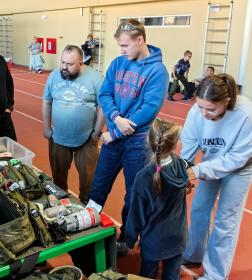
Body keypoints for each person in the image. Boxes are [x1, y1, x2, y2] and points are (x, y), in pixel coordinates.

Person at [86, 19, 169, 255]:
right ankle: (87, 223)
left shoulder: (157, 71)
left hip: (137, 143)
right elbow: (105, 92)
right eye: (120, 46)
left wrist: (116, 130)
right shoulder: (118, 63)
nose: (121, 51)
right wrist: (115, 116)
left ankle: (128, 240)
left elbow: (149, 109)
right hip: (115, 138)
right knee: (99, 186)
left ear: (140, 40)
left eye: (125, 46)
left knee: (133, 193)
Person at [181, 74, 252, 280]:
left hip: (240, 167)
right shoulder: (197, 112)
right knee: (199, 208)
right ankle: (194, 253)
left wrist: (197, 171)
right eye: (200, 107)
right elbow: (189, 144)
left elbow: (235, 159)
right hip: (210, 161)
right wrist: (183, 169)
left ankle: (215, 275)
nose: (204, 113)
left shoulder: (245, 114)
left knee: (226, 221)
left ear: (226, 102)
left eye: (211, 109)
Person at [125, 119, 190, 280]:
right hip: (178, 236)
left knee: (147, 274)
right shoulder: (181, 165)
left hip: (154, 240)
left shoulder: (144, 177)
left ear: (149, 140)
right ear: (175, 144)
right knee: (172, 275)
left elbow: (136, 214)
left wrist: (130, 238)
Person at [42, 45, 105, 204]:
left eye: (70, 64)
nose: (64, 67)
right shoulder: (54, 76)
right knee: (58, 178)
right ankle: (61, 206)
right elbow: (47, 101)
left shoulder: (95, 78)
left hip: (86, 140)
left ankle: (86, 209)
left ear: (81, 63)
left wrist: (97, 131)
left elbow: (102, 106)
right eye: (62, 62)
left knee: (88, 181)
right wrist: (47, 128)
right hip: (58, 137)